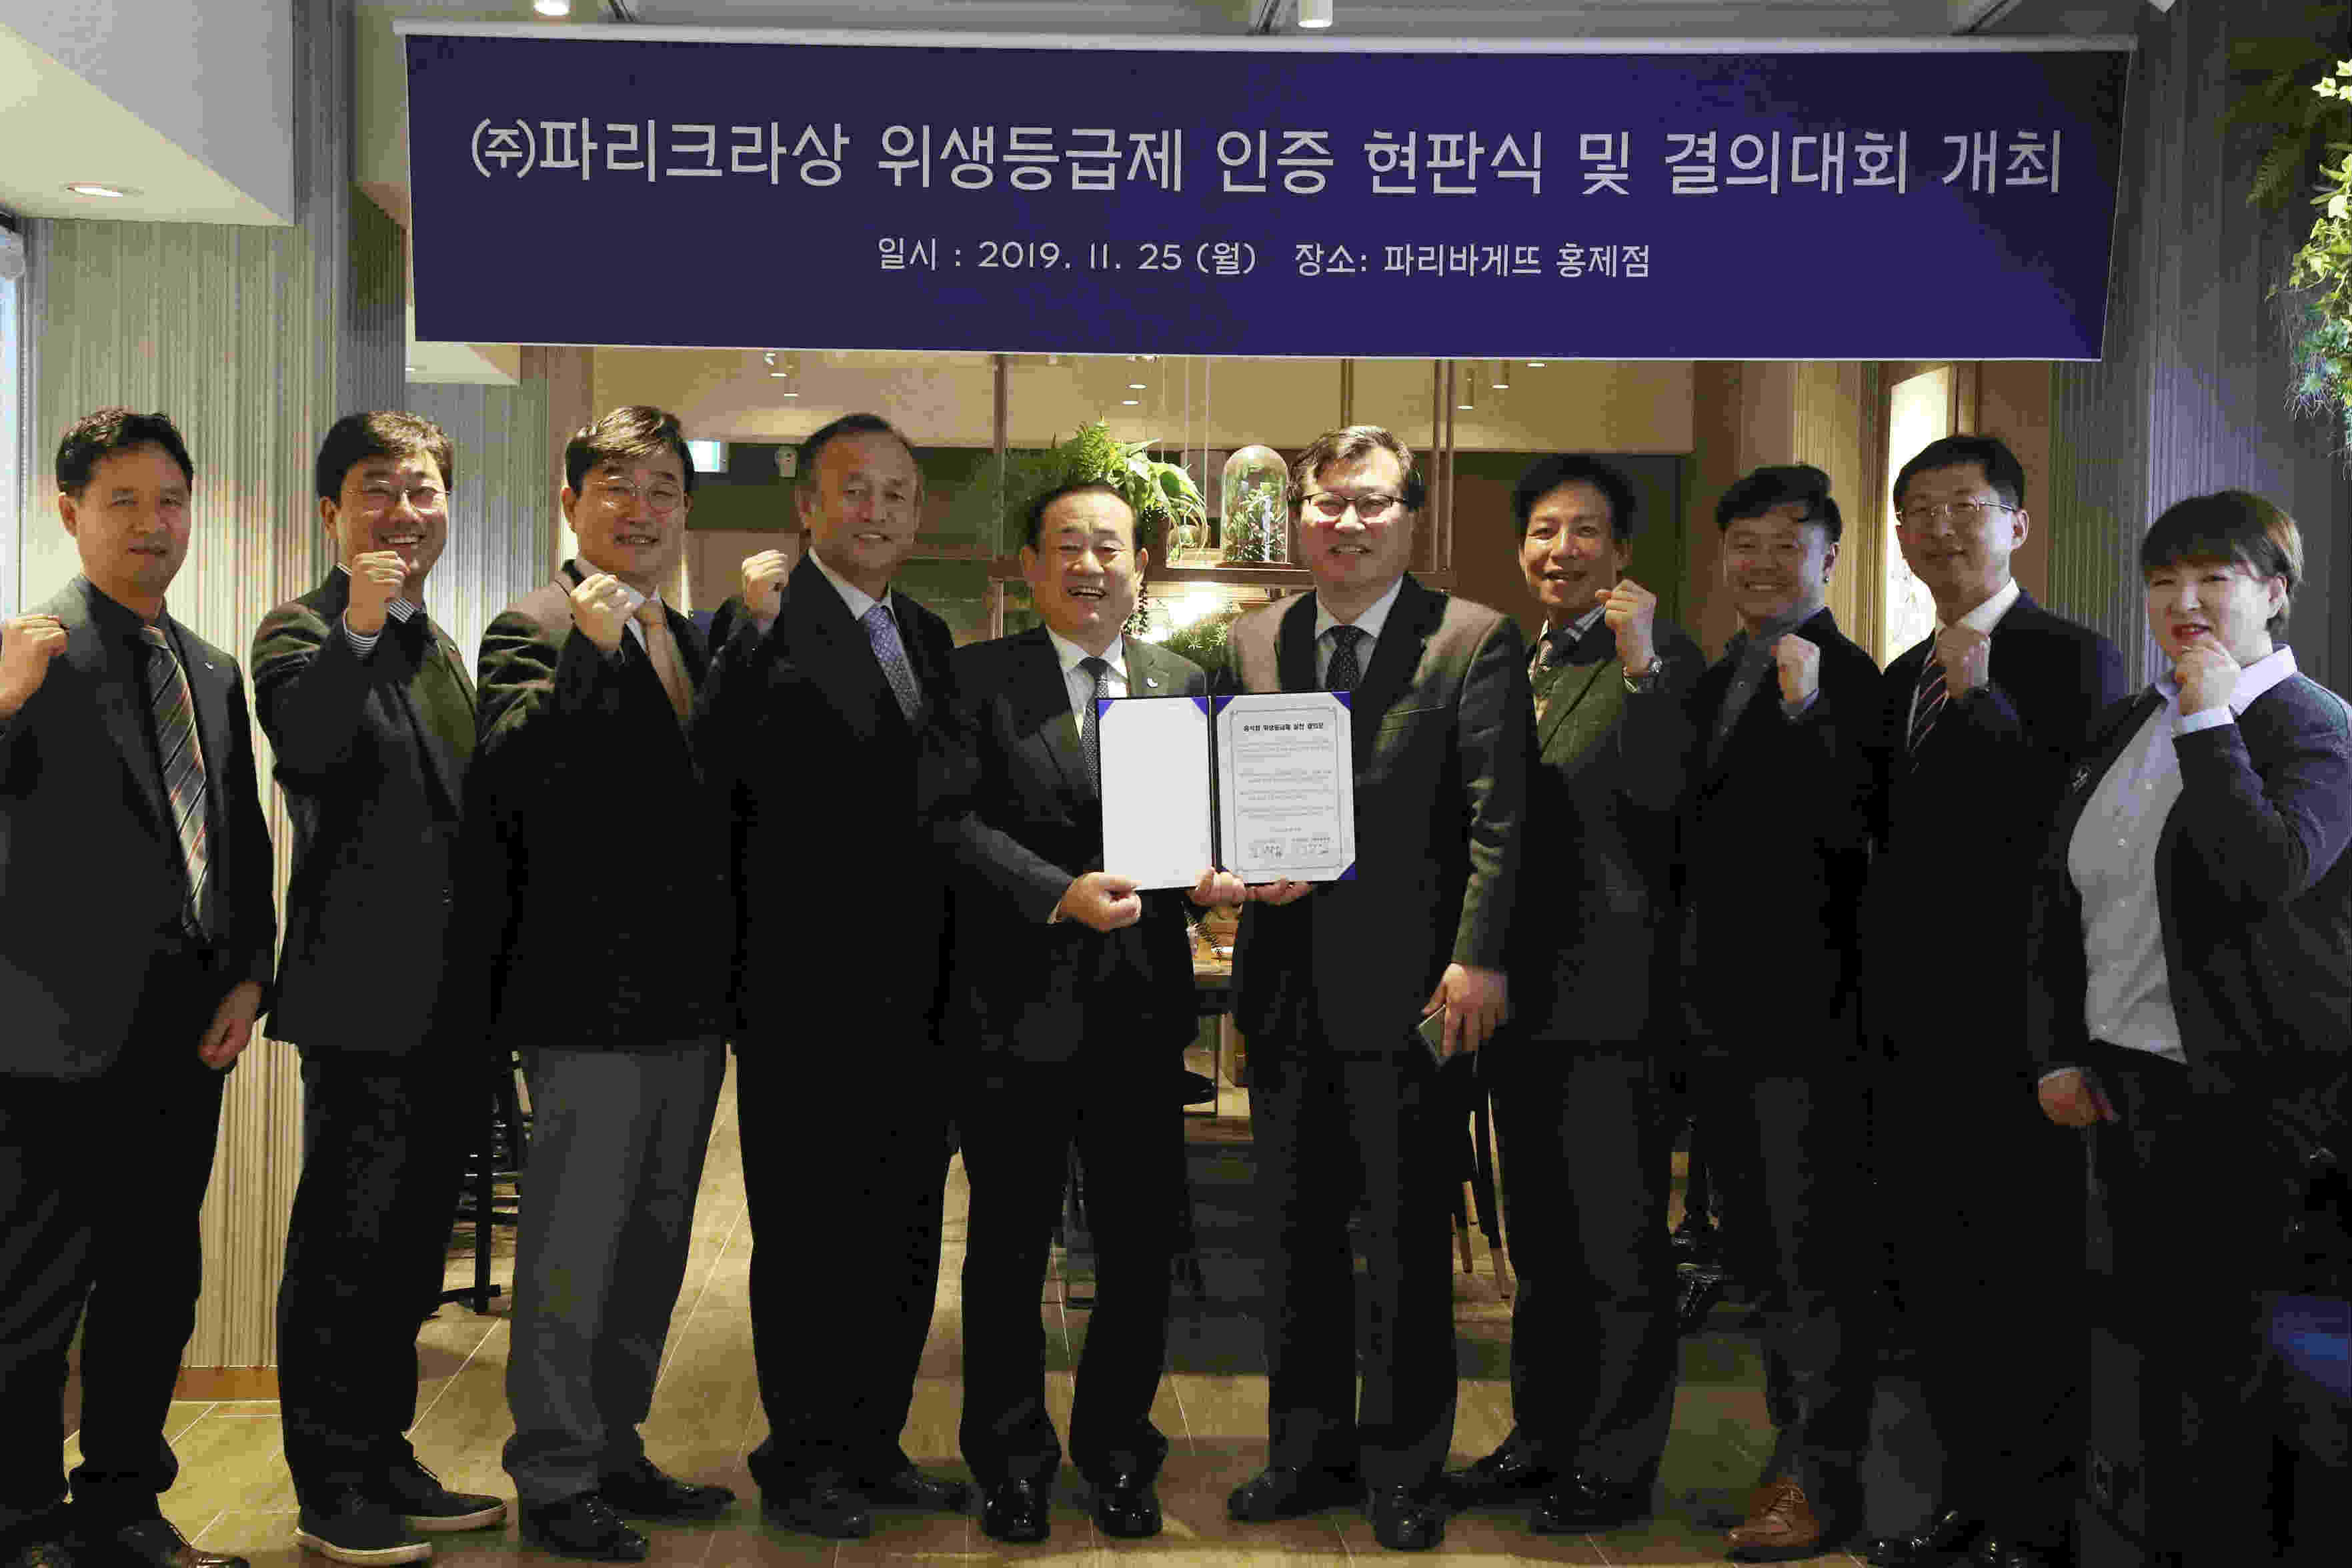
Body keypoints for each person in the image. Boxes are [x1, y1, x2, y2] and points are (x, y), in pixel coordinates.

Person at [1216, 425, 1532, 1554]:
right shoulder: (1252, 639)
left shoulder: (1472, 639)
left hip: (1412, 994)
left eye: (1372, 502)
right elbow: (1228, 790)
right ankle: (1303, 1455)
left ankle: (1405, 1468)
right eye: (1329, 502)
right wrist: (1219, 861)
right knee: (1294, 1238)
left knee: (1403, 1242)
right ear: (1300, 514)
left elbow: (1500, 815)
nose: (1347, 523)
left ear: (1410, 517)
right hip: (1283, 987)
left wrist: (1479, 954)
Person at [2027, 491, 2351, 1568]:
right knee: (2149, 1355)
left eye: (2217, 578)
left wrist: (2212, 723)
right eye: (2165, 581)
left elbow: (2263, 870)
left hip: (2250, 1099)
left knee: (2223, 1371)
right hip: (2129, 1081)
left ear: (2276, 593)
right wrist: (2063, 1046)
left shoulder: (2312, 725)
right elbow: (2064, 893)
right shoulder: (2131, 719)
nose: (2186, 602)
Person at [937, 480, 1244, 1545]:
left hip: (1141, 1017)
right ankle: (1010, 1463)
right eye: (1067, 546)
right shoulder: (978, 678)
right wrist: (1052, 891)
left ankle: (1119, 1452)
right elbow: (948, 821)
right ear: (1031, 567)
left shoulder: (1182, 682)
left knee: (1137, 1251)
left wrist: (1214, 874)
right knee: (1008, 1254)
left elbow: (1197, 827)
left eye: (1109, 546)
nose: (1090, 565)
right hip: (1010, 1014)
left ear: (1140, 566)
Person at [0, 409, 275, 1568]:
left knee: (155, 1289)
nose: (152, 524)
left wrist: (250, 974)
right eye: (123, 501)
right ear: (70, 512)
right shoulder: (26, 655)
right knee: (30, 1300)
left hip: (182, 1039)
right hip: (49, 1044)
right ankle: (19, 1522)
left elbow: (238, 838)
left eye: (170, 501)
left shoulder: (207, 668)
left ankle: (124, 1508)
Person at [467, 405, 736, 1561]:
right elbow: (513, 775)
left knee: (653, 1245)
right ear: (572, 502)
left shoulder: (692, 636)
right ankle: (556, 1472)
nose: (643, 508)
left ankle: (616, 1444)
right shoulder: (531, 625)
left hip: (689, 999)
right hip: (585, 1000)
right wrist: (586, 646)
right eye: (618, 486)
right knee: (574, 1249)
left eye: (664, 487)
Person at [696, 413, 972, 1540]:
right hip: (801, 995)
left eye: (897, 494)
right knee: (811, 1240)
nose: (877, 511)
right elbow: (714, 771)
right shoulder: (759, 621)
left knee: (903, 1234)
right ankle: (802, 1458)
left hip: (923, 993)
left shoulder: (929, 633)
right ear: (808, 506)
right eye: (855, 490)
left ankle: (873, 1444)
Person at [1861, 435, 2127, 1568]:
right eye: (1919, 510)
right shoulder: (1896, 679)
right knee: (1939, 1288)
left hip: (2024, 1039)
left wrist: (1985, 707)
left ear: (2017, 523)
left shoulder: (2076, 659)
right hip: (1913, 1040)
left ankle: (2036, 1524)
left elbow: (2075, 844)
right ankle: (1964, 1498)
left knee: (2027, 1288)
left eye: (1966, 506)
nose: (1941, 529)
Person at [253, 413, 506, 1565]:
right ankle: (331, 1486)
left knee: (410, 1256)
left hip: (458, 1005)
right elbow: (306, 752)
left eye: (422, 490)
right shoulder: (302, 631)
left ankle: (384, 1454)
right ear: (331, 512)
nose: (403, 512)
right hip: (363, 1005)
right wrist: (356, 624)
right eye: (376, 489)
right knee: (346, 1250)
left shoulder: (437, 645)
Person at [1444, 455, 1702, 1534]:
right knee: (1541, 1243)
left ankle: (1616, 1462)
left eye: (1585, 531)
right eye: (1544, 531)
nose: (1562, 550)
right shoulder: (1519, 657)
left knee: (1618, 1246)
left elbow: (1667, 795)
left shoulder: (1661, 659)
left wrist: (1643, 665)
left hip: (1617, 1008)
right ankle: (1542, 1434)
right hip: (1525, 1001)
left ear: (1622, 550)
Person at [1638, 463, 1882, 1562]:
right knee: (1763, 1265)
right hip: (1714, 1025)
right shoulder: (1714, 674)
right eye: (1746, 545)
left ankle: (1819, 1481)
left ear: (1830, 556)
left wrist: (1809, 711)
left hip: (1808, 1035)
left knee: (1813, 1267)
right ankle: (1790, 1457)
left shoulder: (1853, 680)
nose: (1765, 564)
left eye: (1791, 545)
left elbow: (1859, 836)